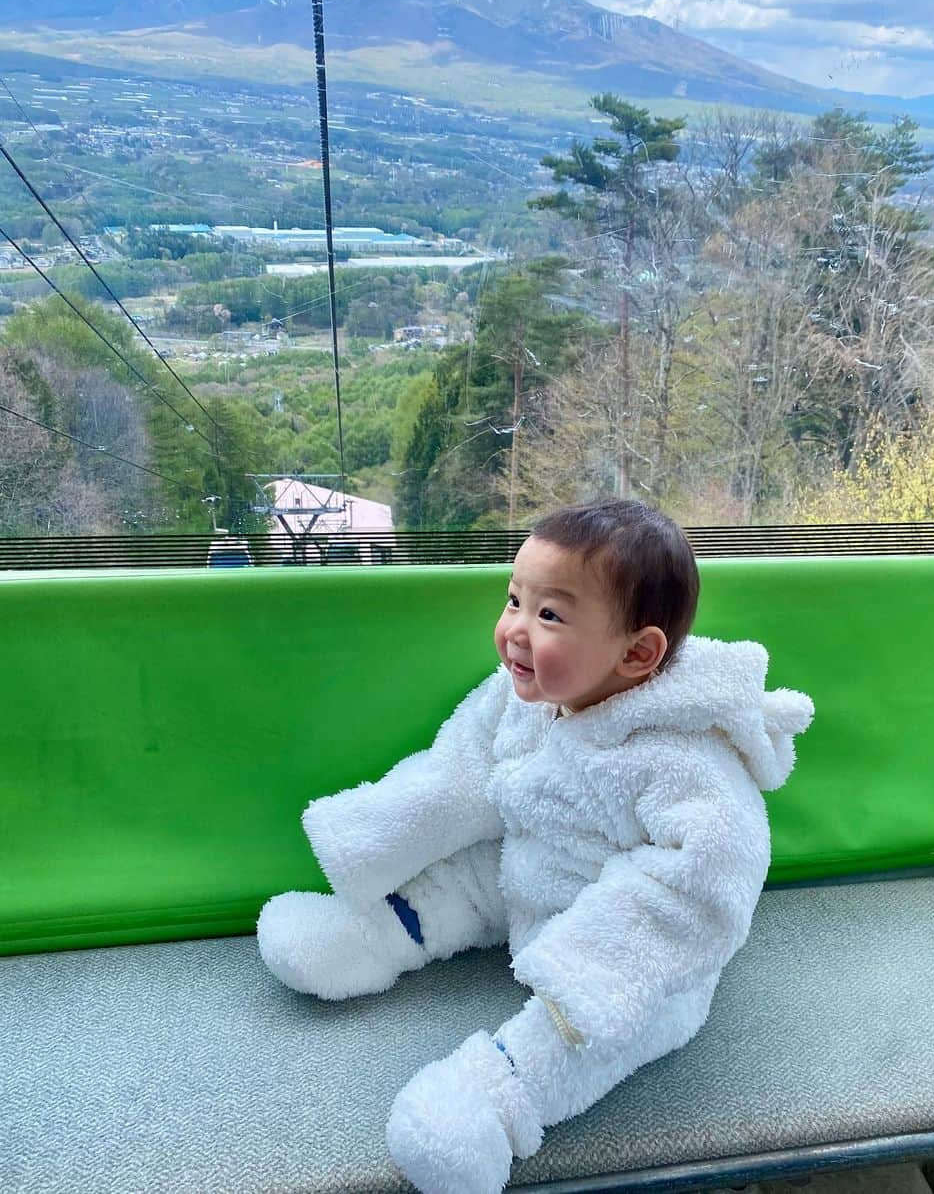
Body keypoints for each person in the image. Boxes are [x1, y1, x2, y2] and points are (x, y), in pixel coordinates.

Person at [257, 498, 814, 1194]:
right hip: (530, 872)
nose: (515, 630)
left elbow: (706, 877)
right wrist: (374, 837)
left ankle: (495, 1097)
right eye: (514, 599)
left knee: (599, 1029)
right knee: (470, 873)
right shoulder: (524, 697)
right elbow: (457, 773)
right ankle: (374, 934)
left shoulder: (684, 757)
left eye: (550, 614)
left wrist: (583, 966)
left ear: (637, 653)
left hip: (637, 958)